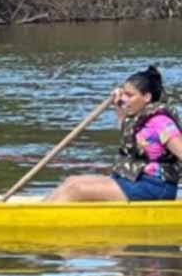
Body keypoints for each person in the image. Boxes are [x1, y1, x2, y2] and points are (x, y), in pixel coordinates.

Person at [45, 66, 181, 202]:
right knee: (71, 181)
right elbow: (125, 130)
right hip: (132, 178)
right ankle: (39, 211)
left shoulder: (162, 123)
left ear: (146, 97)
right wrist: (118, 102)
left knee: (76, 190)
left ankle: (46, 214)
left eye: (130, 95)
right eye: (124, 94)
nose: (125, 99)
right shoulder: (137, 118)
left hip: (155, 186)